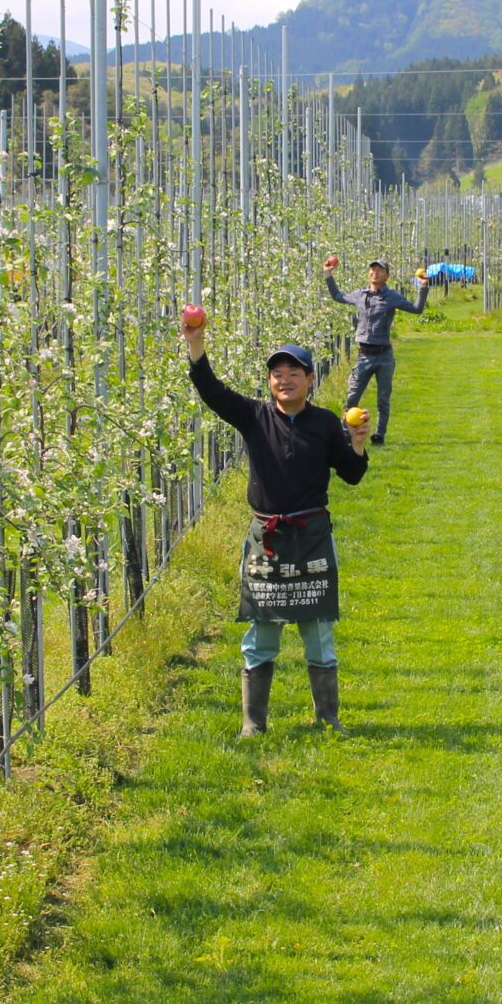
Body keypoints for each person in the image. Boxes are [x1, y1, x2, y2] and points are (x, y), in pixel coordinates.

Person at [182, 314, 371, 734]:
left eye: (293, 373)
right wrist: (196, 345)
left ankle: (328, 718)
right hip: (267, 538)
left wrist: (356, 445)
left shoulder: (325, 423)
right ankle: (254, 723)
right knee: (261, 630)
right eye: (276, 374)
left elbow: (352, 476)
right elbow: (212, 392)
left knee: (318, 629)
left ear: (309, 378)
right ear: (269, 382)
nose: (284, 380)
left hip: (312, 537)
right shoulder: (253, 416)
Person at [325, 256, 429, 447]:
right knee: (352, 396)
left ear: (386, 275)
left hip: (384, 356)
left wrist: (423, 287)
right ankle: (345, 432)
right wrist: (328, 275)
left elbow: (416, 309)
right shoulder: (360, 294)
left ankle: (379, 434)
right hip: (363, 355)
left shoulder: (392, 297)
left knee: (383, 398)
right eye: (372, 269)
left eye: (379, 270)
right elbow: (338, 296)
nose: (375, 272)